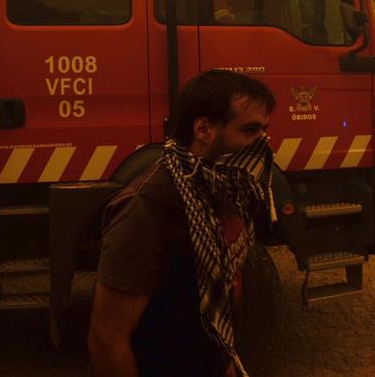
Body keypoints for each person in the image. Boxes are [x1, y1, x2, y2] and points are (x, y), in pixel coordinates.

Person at [88, 69, 277, 377]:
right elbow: (107, 339)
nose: (263, 142)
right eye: (250, 130)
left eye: (264, 129)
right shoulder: (146, 206)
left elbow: (221, 300)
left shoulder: (228, 188)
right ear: (203, 129)